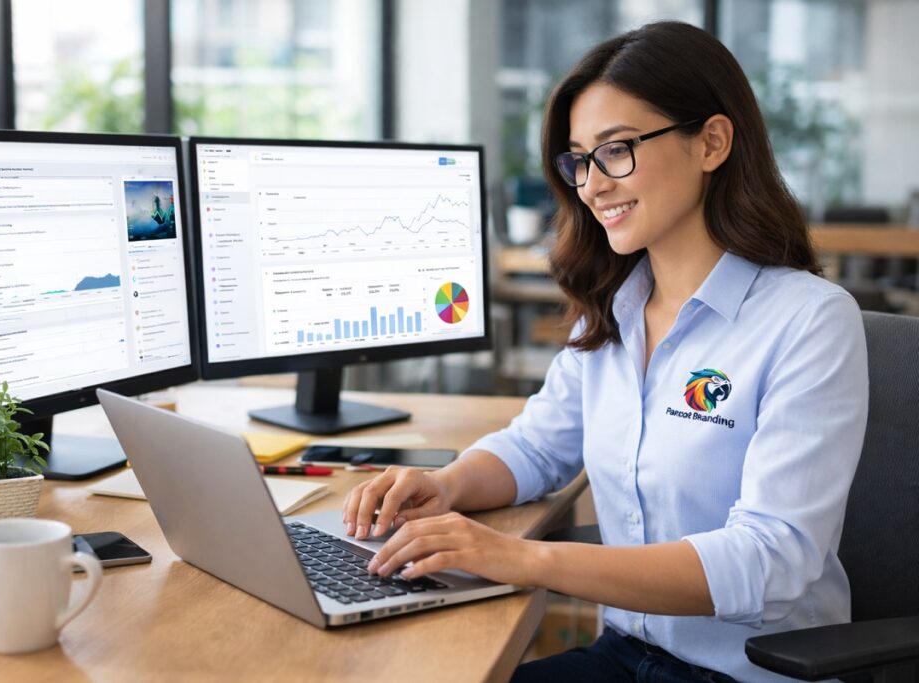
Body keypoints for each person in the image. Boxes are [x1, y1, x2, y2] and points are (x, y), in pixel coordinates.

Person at [342, 20, 868, 683]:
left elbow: (770, 559)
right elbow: (537, 446)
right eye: (578, 159)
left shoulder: (808, 321)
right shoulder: (615, 311)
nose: (591, 185)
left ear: (711, 142)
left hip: (750, 674)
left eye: (615, 151)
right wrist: (447, 485)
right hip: (625, 656)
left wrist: (522, 558)